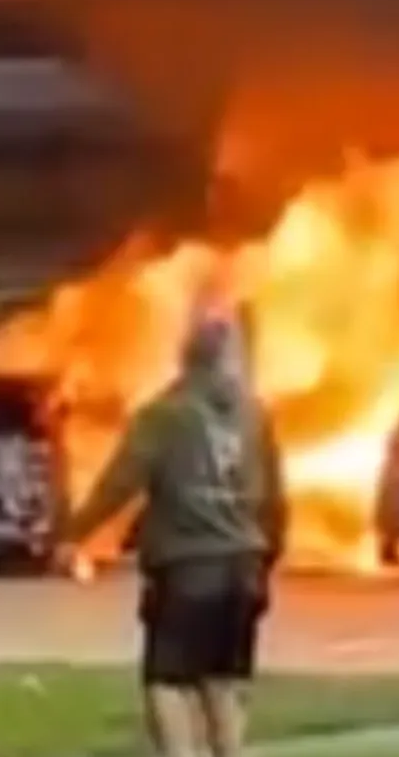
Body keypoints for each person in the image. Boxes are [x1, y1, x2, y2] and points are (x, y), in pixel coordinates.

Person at [54, 312, 289, 757]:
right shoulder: (254, 414)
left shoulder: (164, 414)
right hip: (245, 565)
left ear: (184, 356)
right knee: (224, 680)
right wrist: (267, 557)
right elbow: (275, 496)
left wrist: (74, 533)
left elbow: (121, 482)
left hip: (187, 565)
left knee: (167, 681)